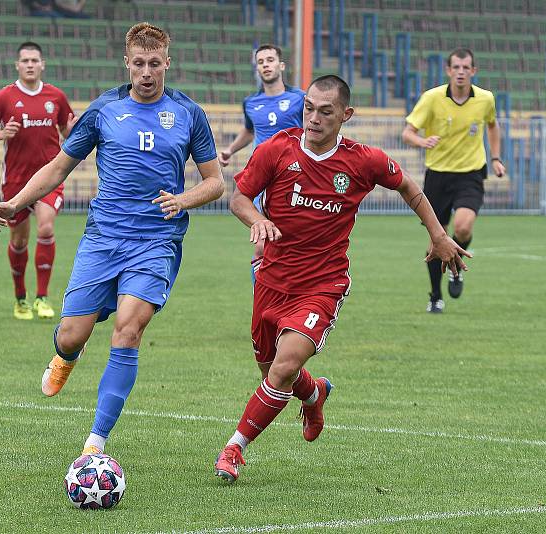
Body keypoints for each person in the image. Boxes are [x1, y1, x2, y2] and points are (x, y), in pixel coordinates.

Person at [213, 75, 470, 484]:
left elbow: (409, 187)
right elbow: (239, 197)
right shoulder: (275, 150)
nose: (313, 117)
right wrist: (257, 219)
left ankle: (234, 448)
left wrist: (438, 234)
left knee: (282, 369)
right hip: (272, 281)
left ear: (345, 115)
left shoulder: (362, 160)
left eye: (325, 111)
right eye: (309, 108)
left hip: (322, 285)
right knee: (273, 375)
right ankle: (314, 395)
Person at [0, 23, 224, 458]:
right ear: (127, 63)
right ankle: (65, 355)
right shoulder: (103, 110)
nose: (147, 72)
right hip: (103, 239)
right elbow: (58, 168)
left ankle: (94, 445)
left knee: (128, 331)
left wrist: (184, 199)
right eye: (139, 63)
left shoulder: (189, 113)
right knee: (72, 334)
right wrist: (14, 202)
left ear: (167, 63)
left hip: (156, 241)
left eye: (155, 64)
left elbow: (215, 183)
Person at [0, 41, 76, 321]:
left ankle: (42, 298)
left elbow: (69, 131)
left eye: (34, 60)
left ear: (42, 64)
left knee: (45, 228)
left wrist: (78, 134)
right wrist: (1, 134)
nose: (30, 64)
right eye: (25, 60)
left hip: (49, 179)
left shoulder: (56, 96)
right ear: (17, 65)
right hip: (16, 182)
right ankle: (20, 298)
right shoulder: (5, 97)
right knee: (19, 241)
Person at [401, 48, 505, 314]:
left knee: (464, 227)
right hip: (437, 175)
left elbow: (492, 125)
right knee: (437, 239)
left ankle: (456, 268)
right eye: (456, 67)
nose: (460, 72)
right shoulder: (432, 98)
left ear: (473, 71)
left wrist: (495, 158)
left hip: (471, 173)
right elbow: (407, 133)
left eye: (465, 67)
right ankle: (435, 295)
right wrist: (422, 141)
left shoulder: (485, 99)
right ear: (448, 71)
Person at [218, 44, 305, 283]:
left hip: (295, 178)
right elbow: (249, 131)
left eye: (270, 60)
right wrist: (230, 150)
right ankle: (263, 304)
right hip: (263, 179)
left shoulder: (300, 98)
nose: (265, 65)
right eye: (261, 61)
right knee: (261, 245)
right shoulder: (251, 103)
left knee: (294, 244)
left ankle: (295, 297)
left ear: (281, 65)